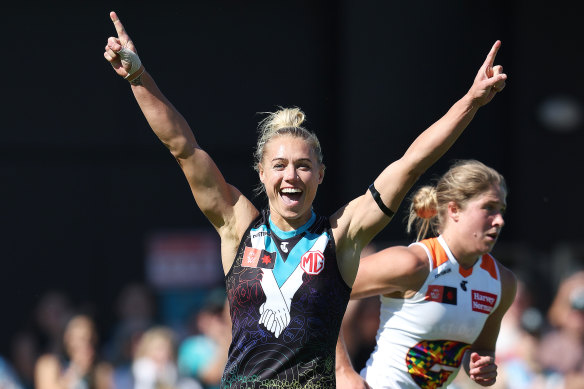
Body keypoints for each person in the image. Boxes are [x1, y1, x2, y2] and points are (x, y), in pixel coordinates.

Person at [103, 10, 506, 388]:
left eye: (303, 165)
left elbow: (411, 163)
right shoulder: (237, 224)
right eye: (279, 165)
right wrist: (138, 77)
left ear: (320, 175)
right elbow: (183, 148)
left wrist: (470, 102)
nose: (291, 176)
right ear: (261, 173)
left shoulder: (341, 237)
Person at [335, 160, 517, 389]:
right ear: (454, 210)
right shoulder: (413, 264)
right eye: (489, 208)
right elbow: (314, 292)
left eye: (501, 210)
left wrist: (482, 366)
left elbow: (482, 350)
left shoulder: (503, 283)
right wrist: (342, 371)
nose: (499, 220)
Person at [34, 314, 114, 389]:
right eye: (81, 339)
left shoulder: (102, 370)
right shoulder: (48, 364)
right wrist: (76, 371)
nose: (86, 345)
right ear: (67, 338)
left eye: (91, 339)